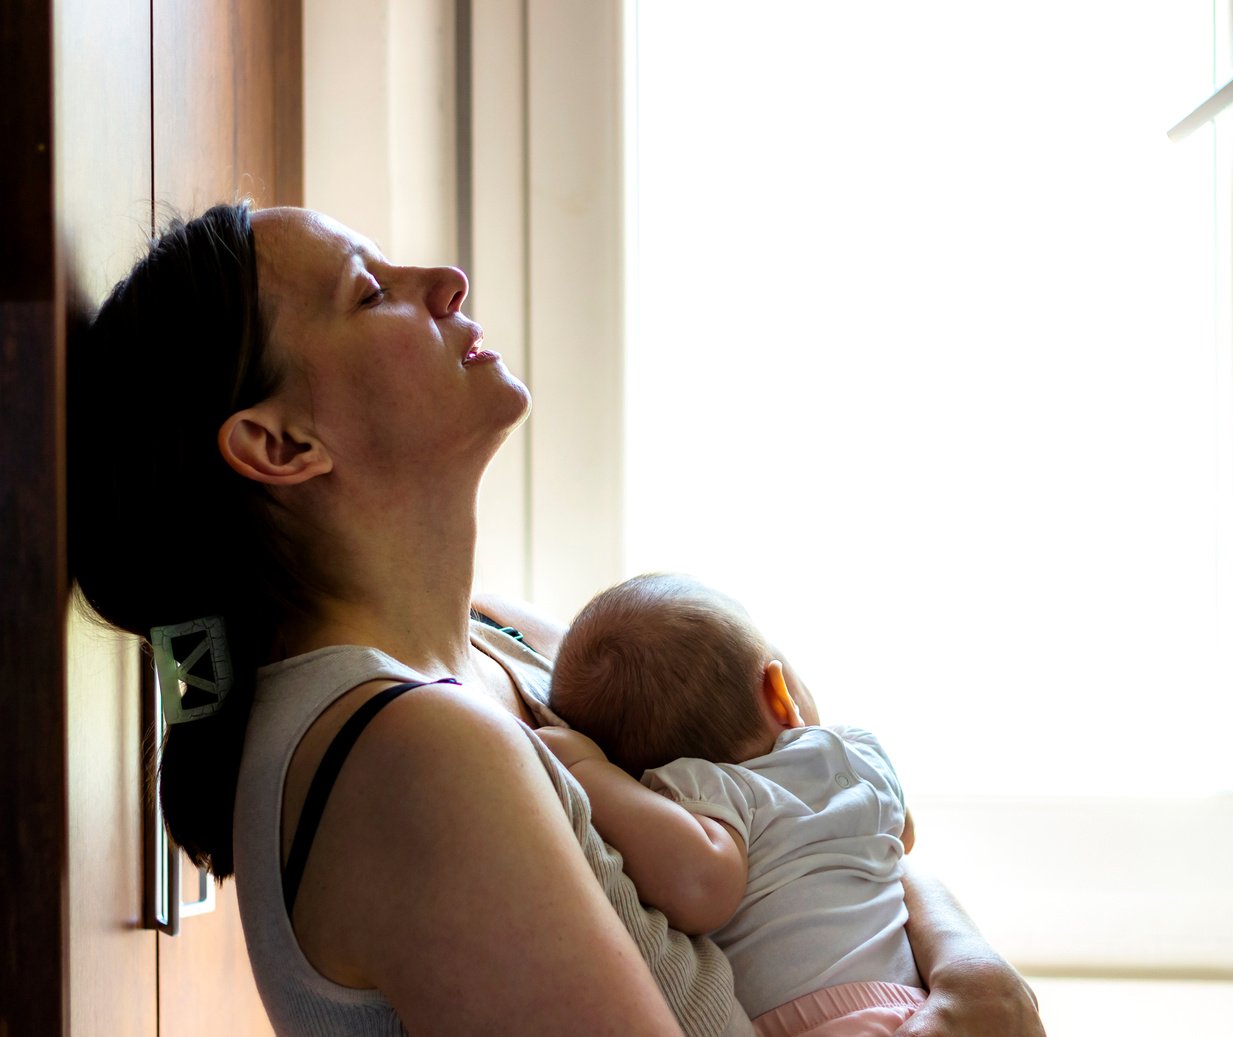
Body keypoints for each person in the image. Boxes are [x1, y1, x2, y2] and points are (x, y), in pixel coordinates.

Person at [67, 201, 1047, 1037]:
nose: (443, 279)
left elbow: (821, 815)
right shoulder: (411, 749)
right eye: (369, 292)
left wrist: (974, 969)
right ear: (280, 444)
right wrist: (975, 988)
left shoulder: (508, 641)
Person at [539, 573, 926, 1037]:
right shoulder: (856, 752)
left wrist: (584, 768)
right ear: (779, 694)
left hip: (824, 1021)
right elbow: (902, 836)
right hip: (911, 1002)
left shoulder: (705, 793)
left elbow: (701, 890)